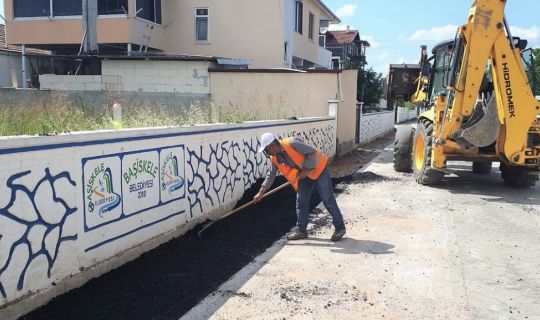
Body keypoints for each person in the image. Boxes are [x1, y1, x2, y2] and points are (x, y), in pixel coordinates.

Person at [255, 132, 346, 241]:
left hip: (318, 169)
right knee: (301, 201)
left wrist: (306, 169)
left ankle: (340, 227)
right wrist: (260, 193)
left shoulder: (292, 143)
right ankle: (301, 230)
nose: (266, 152)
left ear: (273, 146)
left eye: (266, 149)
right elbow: (271, 175)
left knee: (327, 199)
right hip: (303, 174)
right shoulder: (274, 157)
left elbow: (311, 152)